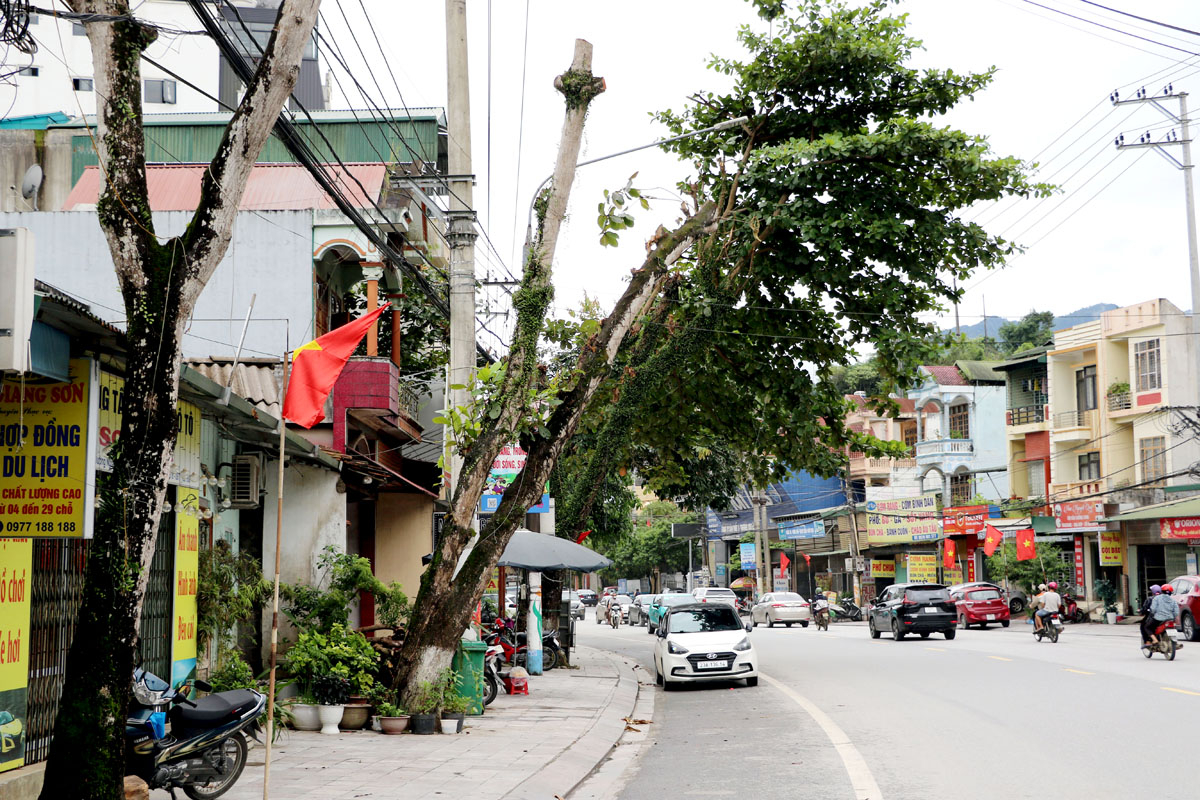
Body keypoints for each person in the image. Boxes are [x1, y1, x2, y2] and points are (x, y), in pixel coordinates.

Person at [1147, 583, 1180, 648]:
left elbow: (1153, 609)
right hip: (1170, 619)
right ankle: (1175, 643)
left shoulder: (1157, 598)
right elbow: (1176, 612)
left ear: (1162, 591)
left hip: (1158, 619)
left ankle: (1155, 640)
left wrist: (1153, 613)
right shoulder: (1173, 601)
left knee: (1147, 627)